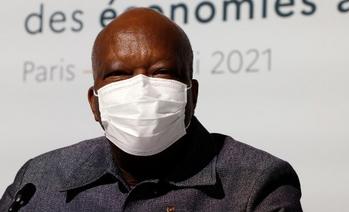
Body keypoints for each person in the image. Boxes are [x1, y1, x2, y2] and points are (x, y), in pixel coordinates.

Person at [0, 8, 302, 212]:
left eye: (162, 73)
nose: (141, 88)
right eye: (119, 74)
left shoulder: (256, 183)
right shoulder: (38, 181)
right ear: (95, 103)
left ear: (191, 95)